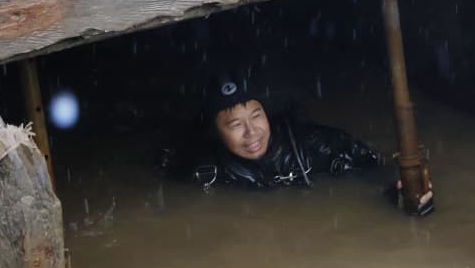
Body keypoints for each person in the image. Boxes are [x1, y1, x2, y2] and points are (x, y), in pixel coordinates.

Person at [159, 72, 380, 190]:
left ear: (267, 114)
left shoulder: (317, 145)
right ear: (215, 132)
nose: (251, 132)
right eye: (235, 125)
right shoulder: (205, 171)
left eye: (256, 116)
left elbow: (376, 172)